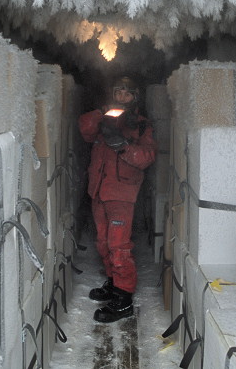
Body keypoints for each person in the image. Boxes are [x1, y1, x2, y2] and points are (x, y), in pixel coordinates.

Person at [78, 75, 157, 323]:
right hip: (99, 190)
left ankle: (123, 298)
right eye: (118, 91)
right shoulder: (104, 117)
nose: (122, 96)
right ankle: (113, 283)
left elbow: (146, 157)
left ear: (135, 97)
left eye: (127, 93)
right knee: (102, 242)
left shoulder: (141, 125)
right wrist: (102, 113)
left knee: (118, 245)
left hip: (122, 194)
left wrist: (123, 146)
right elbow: (85, 129)